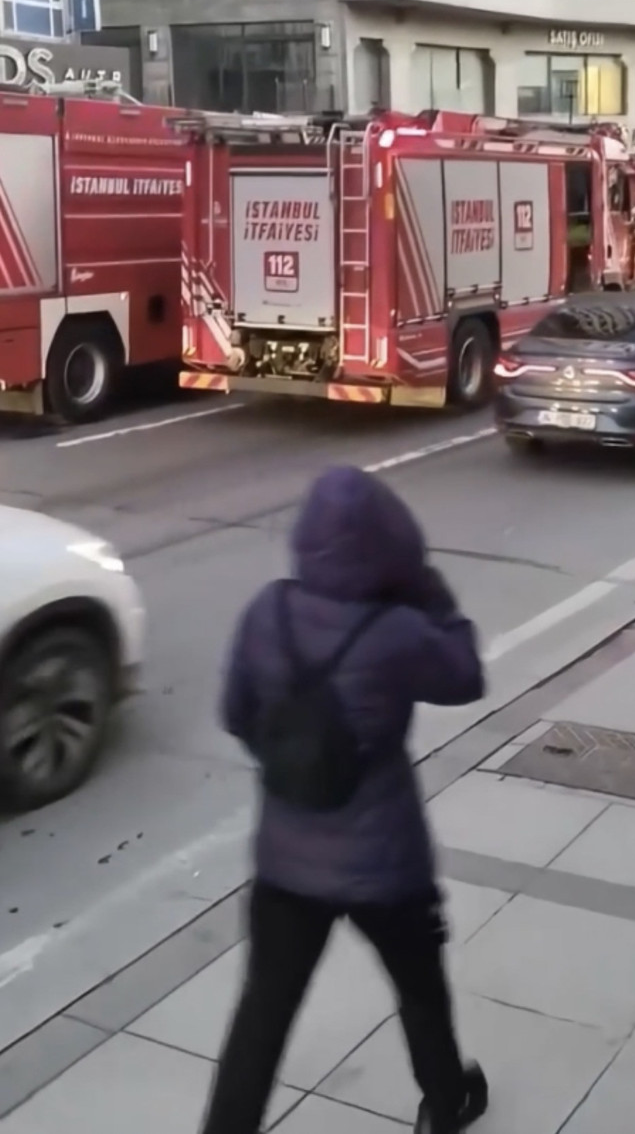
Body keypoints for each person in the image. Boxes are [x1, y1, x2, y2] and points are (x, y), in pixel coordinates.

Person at [200, 465, 488, 1134]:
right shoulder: (397, 632)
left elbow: (237, 714)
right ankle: (445, 1104)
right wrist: (433, 597)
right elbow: (466, 676)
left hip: (283, 862)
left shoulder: (266, 611)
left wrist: (298, 763)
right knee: (419, 990)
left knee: (262, 1015)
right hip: (385, 863)